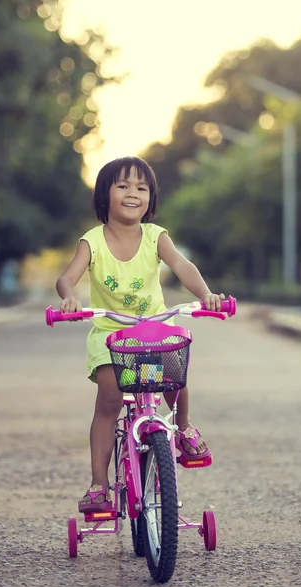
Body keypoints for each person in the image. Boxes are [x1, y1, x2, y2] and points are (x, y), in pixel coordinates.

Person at [56, 156, 225, 513]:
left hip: (153, 329)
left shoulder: (155, 236)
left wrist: (205, 295)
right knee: (109, 399)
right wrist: (69, 298)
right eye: (123, 186)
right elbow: (67, 277)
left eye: (142, 188)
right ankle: (100, 485)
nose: (133, 193)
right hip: (110, 334)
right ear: (105, 196)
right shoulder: (93, 242)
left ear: (151, 198)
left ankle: (183, 428)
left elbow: (182, 265)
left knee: (174, 376)